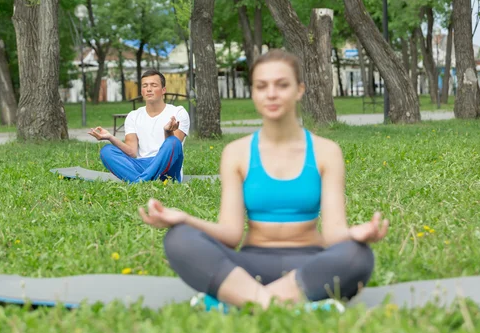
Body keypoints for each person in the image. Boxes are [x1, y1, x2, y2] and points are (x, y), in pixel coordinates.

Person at [138, 49, 389, 312]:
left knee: (358, 255)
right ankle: (290, 305)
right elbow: (231, 233)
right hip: (249, 267)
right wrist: (184, 219)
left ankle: (239, 302)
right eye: (262, 86)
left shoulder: (327, 152)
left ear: (299, 89)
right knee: (178, 238)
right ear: (254, 93)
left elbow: (335, 232)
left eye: (282, 85)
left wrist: (355, 235)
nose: (271, 93)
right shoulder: (236, 153)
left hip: (309, 265)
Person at [89, 70, 190, 183]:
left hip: (169, 169)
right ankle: (145, 180)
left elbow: (173, 148)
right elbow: (132, 151)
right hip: (142, 165)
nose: (149, 89)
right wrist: (110, 137)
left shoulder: (178, 112)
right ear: (142, 91)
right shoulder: (133, 116)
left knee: (173, 141)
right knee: (106, 151)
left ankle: (140, 182)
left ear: (163, 90)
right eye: (145, 86)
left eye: (154, 85)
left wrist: (167, 132)